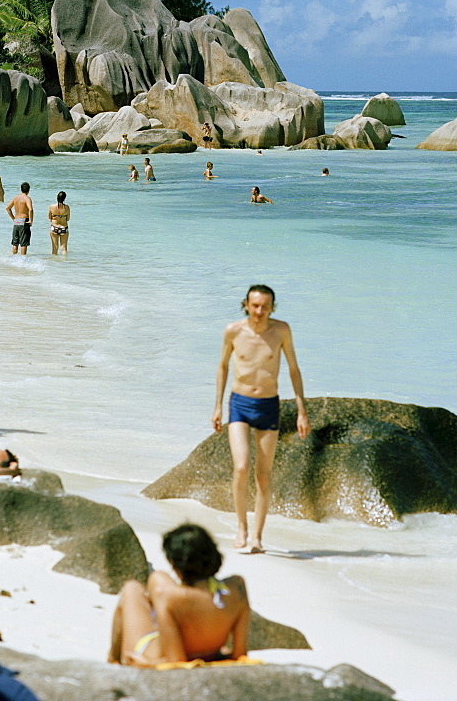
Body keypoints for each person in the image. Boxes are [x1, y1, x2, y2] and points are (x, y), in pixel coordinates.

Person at [211, 285, 310, 552]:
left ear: (272, 308)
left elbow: (293, 369)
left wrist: (302, 410)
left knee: (263, 476)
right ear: (246, 304)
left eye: (265, 307)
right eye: (255, 306)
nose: (259, 311)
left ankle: (257, 537)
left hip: (268, 405)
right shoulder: (233, 331)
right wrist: (218, 406)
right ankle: (241, 528)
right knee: (241, 467)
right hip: (240, 403)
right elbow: (222, 367)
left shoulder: (281, 331)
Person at [109, 524, 249, 667]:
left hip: (152, 653)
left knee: (132, 589)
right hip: (209, 652)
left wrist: (147, 663)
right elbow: (239, 655)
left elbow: (177, 662)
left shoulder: (170, 596)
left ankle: (112, 660)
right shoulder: (237, 587)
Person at [6, 183, 33, 255]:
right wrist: (31, 221)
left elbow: (8, 208)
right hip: (24, 221)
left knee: (15, 243)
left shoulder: (15, 198)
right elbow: (30, 209)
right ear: (29, 190)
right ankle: (23, 261)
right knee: (24, 244)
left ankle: (14, 259)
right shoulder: (27, 198)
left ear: (21, 189)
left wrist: (13, 219)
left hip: (16, 221)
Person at [48, 191, 70, 256]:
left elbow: (49, 217)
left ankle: (54, 265)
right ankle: (65, 264)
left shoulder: (52, 207)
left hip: (54, 227)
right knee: (64, 249)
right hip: (64, 228)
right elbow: (68, 219)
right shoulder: (67, 207)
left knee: (55, 249)